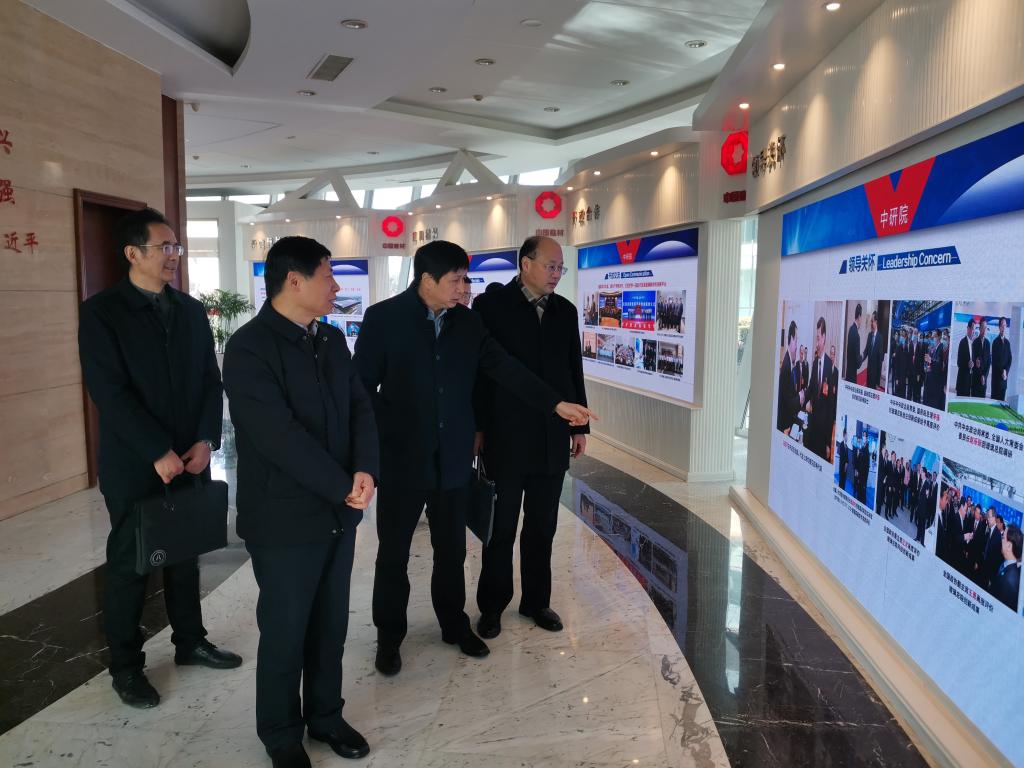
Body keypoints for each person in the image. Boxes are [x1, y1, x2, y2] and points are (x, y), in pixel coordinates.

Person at [354, 240, 594, 677]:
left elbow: (505, 369)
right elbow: (361, 391)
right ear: (426, 280)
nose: (465, 288)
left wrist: (556, 404)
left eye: (466, 279)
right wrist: (376, 447)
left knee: (451, 552)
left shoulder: (467, 323)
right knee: (393, 555)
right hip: (402, 461)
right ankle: (389, 636)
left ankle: (454, 624)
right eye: (456, 280)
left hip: (452, 461)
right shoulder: (384, 318)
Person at [223, 237, 379, 768]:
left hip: (338, 511)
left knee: (331, 624)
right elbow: (277, 436)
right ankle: (280, 732)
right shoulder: (249, 348)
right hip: (284, 517)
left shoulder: (330, 339)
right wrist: (341, 485)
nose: (335, 286)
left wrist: (365, 469)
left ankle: (326, 716)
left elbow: (360, 407)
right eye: (328, 275)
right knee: (286, 628)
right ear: (294, 280)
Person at [77, 207, 240, 710]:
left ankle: (190, 642)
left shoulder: (190, 310)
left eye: (176, 247)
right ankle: (126, 667)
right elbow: (109, 391)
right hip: (135, 464)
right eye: (163, 247)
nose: (173, 256)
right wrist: (155, 450)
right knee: (131, 566)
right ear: (133, 253)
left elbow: (209, 380)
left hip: (190, 457)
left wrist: (205, 439)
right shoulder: (103, 312)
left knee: (185, 555)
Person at [472, 236, 588, 639]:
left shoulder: (565, 311)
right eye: (550, 266)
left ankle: (536, 602)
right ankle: (492, 606)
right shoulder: (490, 306)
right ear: (525, 264)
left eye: (560, 268)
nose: (556, 274)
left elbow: (573, 369)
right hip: (505, 435)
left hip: (551, 436)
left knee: (543, 526)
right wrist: (478, 427)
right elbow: (481, 375)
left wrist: (579, 426)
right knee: (501, 528)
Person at [803, 317, 836, 461]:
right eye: (815, 339)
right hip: (813, 427)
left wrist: (828, 442)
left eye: (818, 338)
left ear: (824, 337)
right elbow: (811, 387)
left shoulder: (830, 367)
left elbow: (831, 408)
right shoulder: (815, 362)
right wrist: (803, 401)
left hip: (823, 433)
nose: (816, 343)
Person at [777, 321, 804, 433]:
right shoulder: (787, 367)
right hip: (784, 426)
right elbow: (788, 404)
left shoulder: (788, 361)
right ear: (792, 339)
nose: (797, 347)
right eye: (796, 341)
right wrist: (800, 398)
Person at [992, 525, 1022, 610]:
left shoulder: (1010, 580)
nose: (1000, 540)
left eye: (1003, 537)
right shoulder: (1007, 564)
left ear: (1009, 546)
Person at [991, 317, 1013, 401]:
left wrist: (1006, 371)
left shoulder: (1007, 343)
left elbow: (1010, 359)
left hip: (1004, 380)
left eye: (1005, 326)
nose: (1003, 328)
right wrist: (1002, 371)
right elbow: (995, 361)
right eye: (1002, 326)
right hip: (996, 381)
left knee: (1001, 403)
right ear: (999, 327)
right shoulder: (995, 342)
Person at [972, 318, 992, 398]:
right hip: (976, 379)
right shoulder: (975, 342)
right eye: (983, 327)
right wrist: (975, 362)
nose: (984, 330)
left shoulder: (988, 343)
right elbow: (973, 359)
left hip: (984, 381)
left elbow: (988, 362)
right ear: (980, 328)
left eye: (985, 327)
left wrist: (984, 376)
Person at [865, 311, 884, 390]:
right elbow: (866, 351)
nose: (871, 323)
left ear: (876, 322)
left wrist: (877, 382)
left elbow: (880, 361)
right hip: (868, 373)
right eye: (870, 321)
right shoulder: (869, 335)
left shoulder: (880, 338)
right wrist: (859, 359)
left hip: (875, 376)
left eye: (872, 321)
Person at [956, 319, 975, 396]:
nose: (973, 331)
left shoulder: (973, 344)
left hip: (969, 382)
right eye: (972, 328)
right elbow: (959, 362)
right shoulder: (962, 342)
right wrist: (968, 364)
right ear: (968, 328)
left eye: (974, 329)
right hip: (962, 382)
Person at [846, 304, 863, 383]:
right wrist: (862, 357)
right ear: (859, 316)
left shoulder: (850, 329)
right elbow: (858, 363)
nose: (861, 320)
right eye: (861, 317)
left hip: (848, 373)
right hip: (852, 376)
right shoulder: (857, 335)